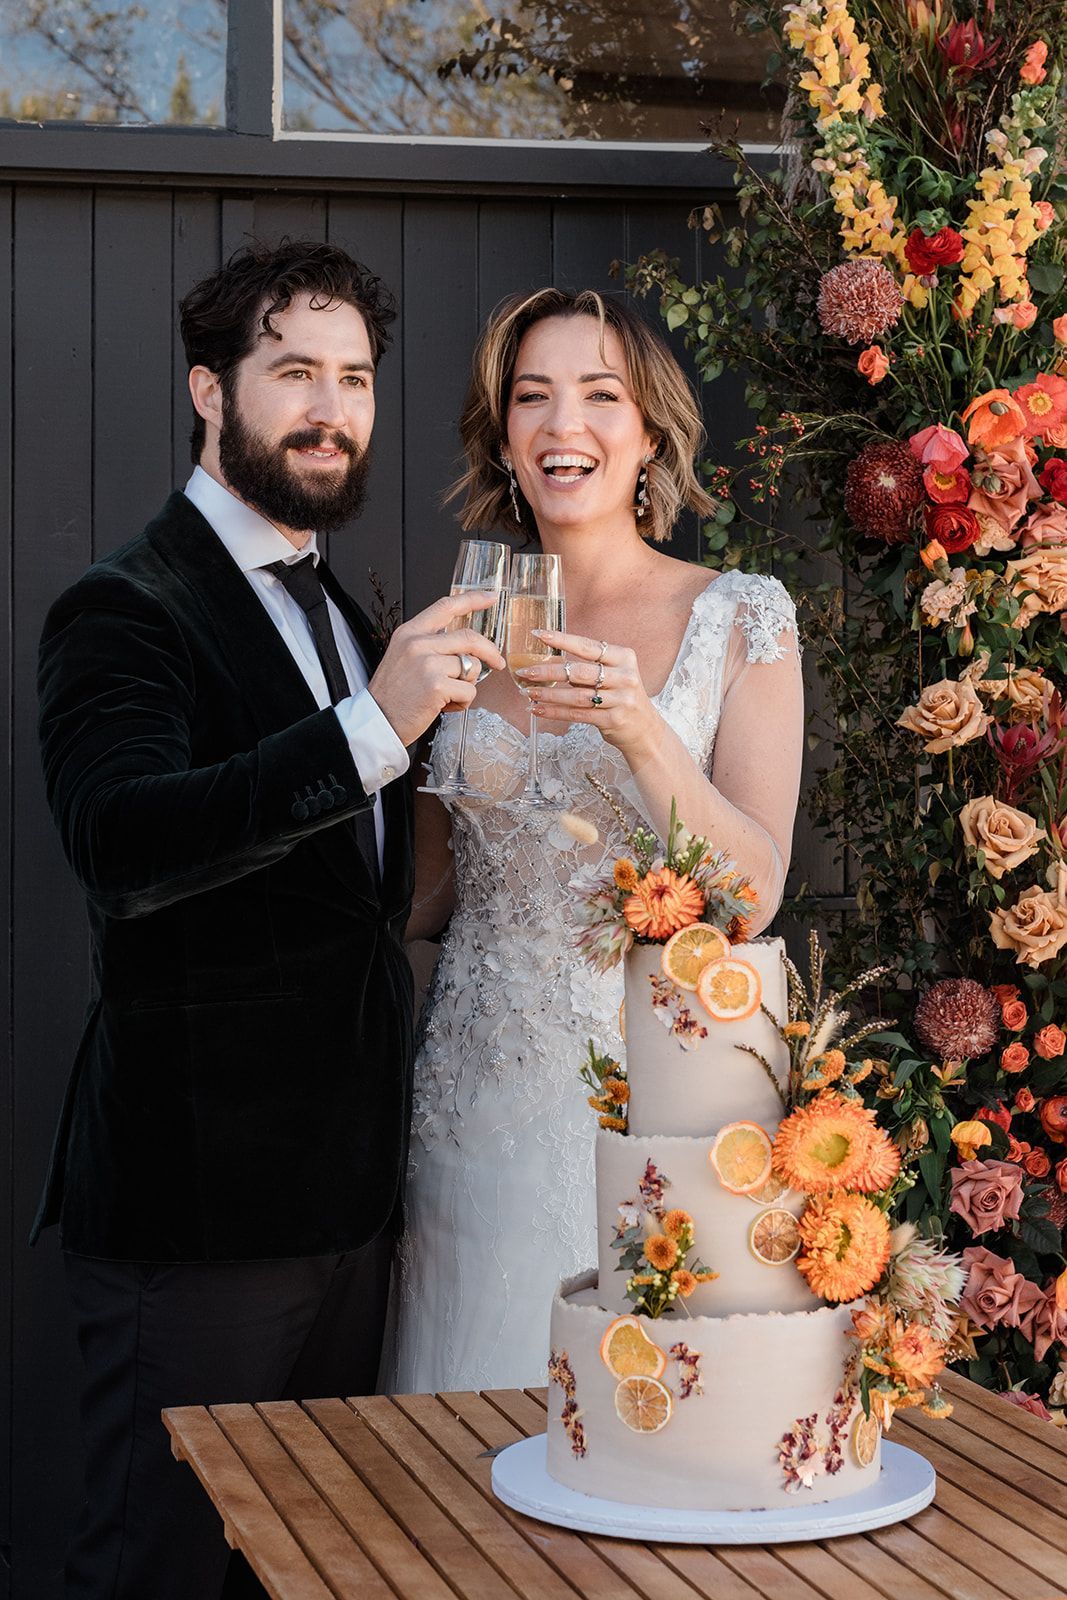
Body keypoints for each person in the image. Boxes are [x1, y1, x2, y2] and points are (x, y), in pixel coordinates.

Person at [33, 239, 504, 1600]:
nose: (329, 408)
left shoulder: (346, 615)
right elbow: (122, 844)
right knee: (159, 1570)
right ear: (207, 388)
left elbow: (354, 891)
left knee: (299, 1578)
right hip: (198, 1215)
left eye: (353, 378)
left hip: (355, 1210)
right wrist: (375, 725)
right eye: (293, 370)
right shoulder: (123, 608)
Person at [389, 287, 805, 1394]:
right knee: (454, 1434)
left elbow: (750, 893)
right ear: (505, 438)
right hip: (471, 1098)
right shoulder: (469, 619)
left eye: (596, 394)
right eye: (531, 397)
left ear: (649, 431)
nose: (559, 421)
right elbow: (427, 897)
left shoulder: (738, 615)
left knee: (635, 1421)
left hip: (651, 1102)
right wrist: (394, 725)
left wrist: (637, 730)